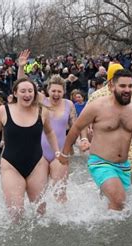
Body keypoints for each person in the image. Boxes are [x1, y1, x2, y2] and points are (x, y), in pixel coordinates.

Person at [0, 78, 60, 221]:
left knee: (41, 213)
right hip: (11, 165)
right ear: (15, 93)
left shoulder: (42, 111)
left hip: (37, 164)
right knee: (16, 214)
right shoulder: (4, 110)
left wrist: (57, 151)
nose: (27, 94)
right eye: (23, 91)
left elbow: (50, 132)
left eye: (30, 91)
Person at [58, 69, 132, 211]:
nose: (127, 90)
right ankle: (116, 233)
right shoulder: (97, 106)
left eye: (130, 86)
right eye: (122, 86)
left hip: (124, 165)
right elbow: (76, 128)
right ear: (112, 86)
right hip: (101, 162)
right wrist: (65, 153)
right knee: (119, 200)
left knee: (124, 204)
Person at [85, 63, 132, 186]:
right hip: (105, 146)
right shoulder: (97, 95)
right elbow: (85, 119)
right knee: (111, 182)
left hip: (129, 143)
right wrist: (86, 136)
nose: (125, 89)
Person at [41, 75, 77, 203]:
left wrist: (83, 140)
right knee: (39, 193)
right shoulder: (41, 101)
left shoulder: (69, 104)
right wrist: (21, 67)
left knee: (59, 192)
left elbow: (75, 128)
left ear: (64, 92)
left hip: (60, 154)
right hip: (40, 154)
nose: (56, 94)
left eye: (59, 91)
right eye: (53, 91)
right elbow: (22, 85)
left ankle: (63, 219)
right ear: (48, 90)